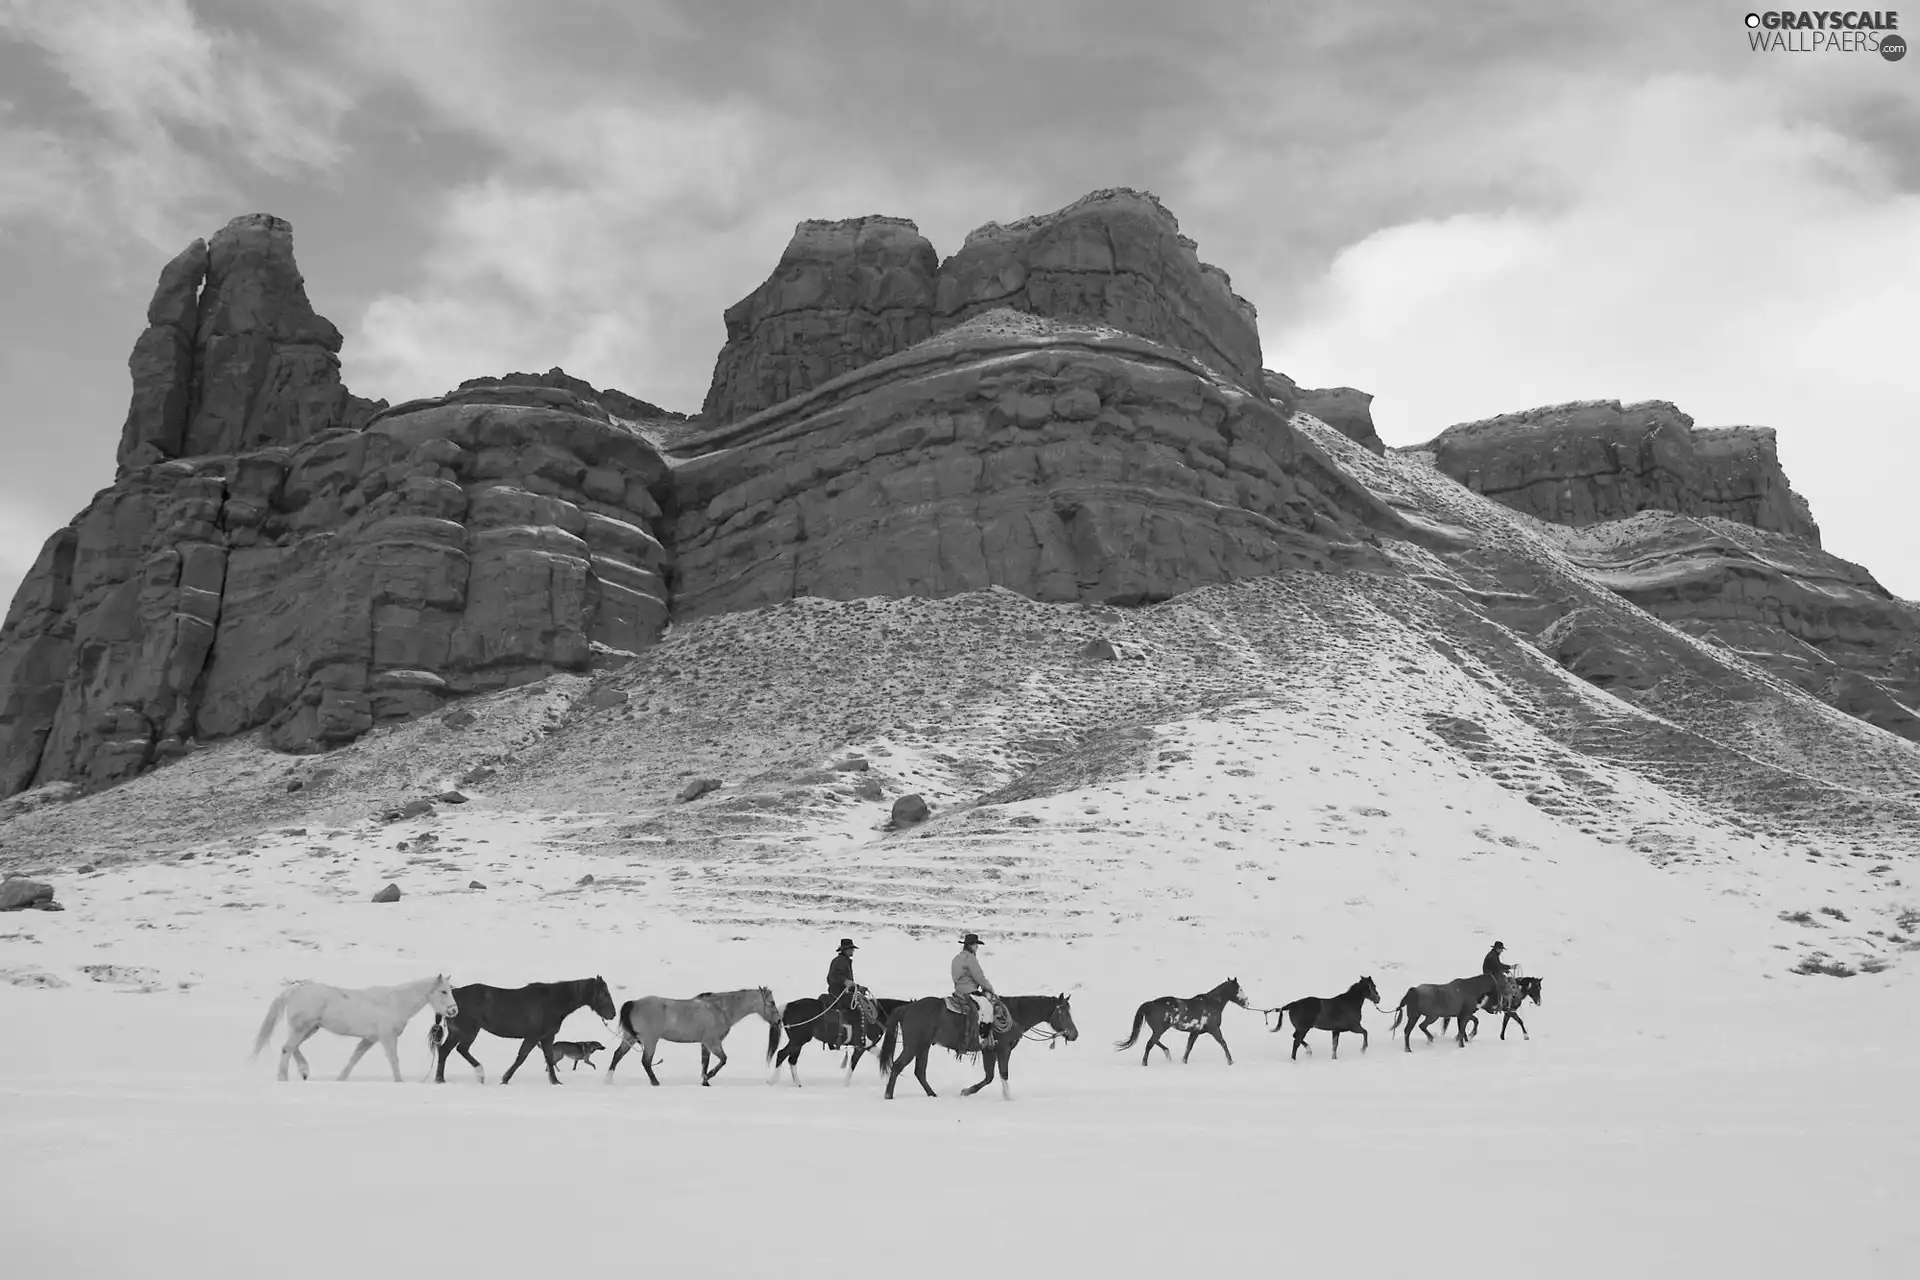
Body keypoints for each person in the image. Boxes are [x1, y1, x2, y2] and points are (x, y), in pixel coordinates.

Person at [951, 932, 996, 1054]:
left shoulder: (957, 958)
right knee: (987, 1008)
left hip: (958, 990)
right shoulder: (970, 958)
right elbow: (979, 977)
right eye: (976, 945)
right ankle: (983, 1038)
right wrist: (990, 989)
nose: (977, 948)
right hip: (969, 991)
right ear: (971, 945)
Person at [824, 938, 858, 1047]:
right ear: (845, 950)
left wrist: (858, 987)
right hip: (838, 994)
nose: (853, 951)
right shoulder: (840, 961)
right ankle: (847, 1035)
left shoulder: (845, 961)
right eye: (851, 949)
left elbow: (848, 981)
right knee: (857, 1008)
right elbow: (833, 977)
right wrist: (845, 981)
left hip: (844, 992)